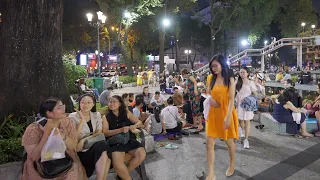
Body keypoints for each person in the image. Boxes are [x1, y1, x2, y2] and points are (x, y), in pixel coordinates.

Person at [21, 98, 87, 180]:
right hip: (41, 165)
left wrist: (60, 133)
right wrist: (46, 133)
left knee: (71, 176)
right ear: (49, 113)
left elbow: (73, 147)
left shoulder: (67, 122)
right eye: (59, 108)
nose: (64, 109)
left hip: (65, 159)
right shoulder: (33, 129)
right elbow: (35, 157)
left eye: (63, 106)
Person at [205, 55, 238, 180]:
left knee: (229, 142)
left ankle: (232, 164)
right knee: (209, 143)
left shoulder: (230, 78)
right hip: (213, 113)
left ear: (222, 64)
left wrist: (228, 116)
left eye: (216, 66)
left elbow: (231, 99)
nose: (213, 69)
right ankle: (211, 173)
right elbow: (208, 92)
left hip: (226, 112)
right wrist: (211, 99)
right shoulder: (210, 78)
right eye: (212, 66)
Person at [102, 95, 146, 180]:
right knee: (118, 164)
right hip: (116, 142)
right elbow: (106, 133)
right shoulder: (106, 117)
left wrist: (134, 126)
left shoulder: (126, 113)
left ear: (120, 104)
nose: (111, 103)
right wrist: (120, 130)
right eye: (110, 101)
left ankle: (121, 175)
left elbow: (139, 123)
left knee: (141, 154)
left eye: (114, 101)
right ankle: (127, 178)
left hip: (129, 139)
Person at [68, 94, 111, 179]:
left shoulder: (96, 115)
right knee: (105, 151)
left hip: (94, 146)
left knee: (103, 148)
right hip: (81, 150)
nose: (85, 105)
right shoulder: (72, 117)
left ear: (93, 104)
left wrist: (84, 140)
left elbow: (99, 132)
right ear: (79, 104)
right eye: (83, 102)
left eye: (89, 102)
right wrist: (81, 121)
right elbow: (74, 137)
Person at [235, 67, 257, 149]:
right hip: (239, 104)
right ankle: (243, 131)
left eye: (243, 72)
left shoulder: (251, 83)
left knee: (247, 121)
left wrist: (250, 99)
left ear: (247, 73)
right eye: (240, 72)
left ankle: (246, 140)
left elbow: (254, 93)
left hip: (247, 104)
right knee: (240, 120)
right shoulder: (237, 82)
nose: (242, 74)